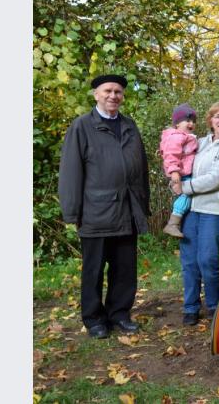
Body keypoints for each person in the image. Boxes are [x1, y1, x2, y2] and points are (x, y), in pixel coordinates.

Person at [59, 74, 150, 339]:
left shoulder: (129, 126)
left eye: (118, 92)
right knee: (94, 269)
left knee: (124, 268)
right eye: (108, 91)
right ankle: (94, 319)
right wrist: (72, 211)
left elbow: (140, 168)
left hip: (127, 210)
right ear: (96, 94)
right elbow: (71, 171)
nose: (113, 96)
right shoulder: (82, 126)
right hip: (95, 212)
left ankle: (119, 314)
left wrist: (142, 205)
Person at [174, 101, 219, 326]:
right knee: (189, 261)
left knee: (207, 259)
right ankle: (191, 307)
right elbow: (180, 161)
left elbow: (216, 178)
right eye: (217, 116)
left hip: (214, 210)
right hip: (190, 209)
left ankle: (215, 306)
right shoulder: (200, 142)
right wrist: (174, 179)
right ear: (210, 120)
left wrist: (185, 187)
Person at [159, 103, 199, 238]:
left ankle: (175, 223)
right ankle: (172, 224)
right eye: (187, 121)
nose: (191, 124)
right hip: (181, 174)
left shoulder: (186, 136)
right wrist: (174, 171)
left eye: (193, 121)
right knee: (187, 195)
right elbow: (171, 154)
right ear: (177, 124)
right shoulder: (177, 136)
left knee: (187, 196)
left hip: (185, 173)